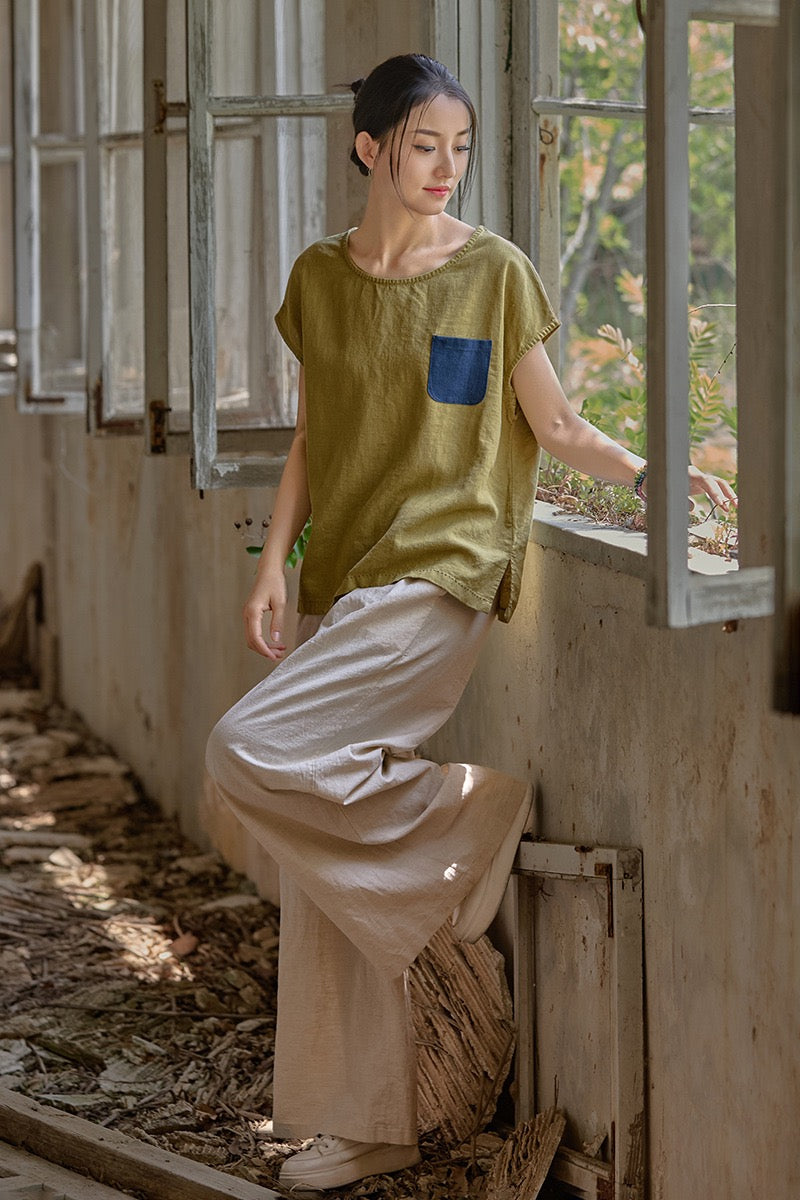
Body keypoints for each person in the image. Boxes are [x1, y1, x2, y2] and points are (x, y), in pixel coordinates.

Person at [205, 53, 735, 1193]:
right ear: (369, 147)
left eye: (460, 146)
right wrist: (274, 566)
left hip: (437, 581)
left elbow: (556, 424)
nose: (446, 167)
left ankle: (465, 820)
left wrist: (650, 471)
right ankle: (374, 1123)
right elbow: (313, 437)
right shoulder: (319, 278)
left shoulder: (494, 272)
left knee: (246, 748)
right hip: (346, 580)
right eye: (423, 145)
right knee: (325, 870)